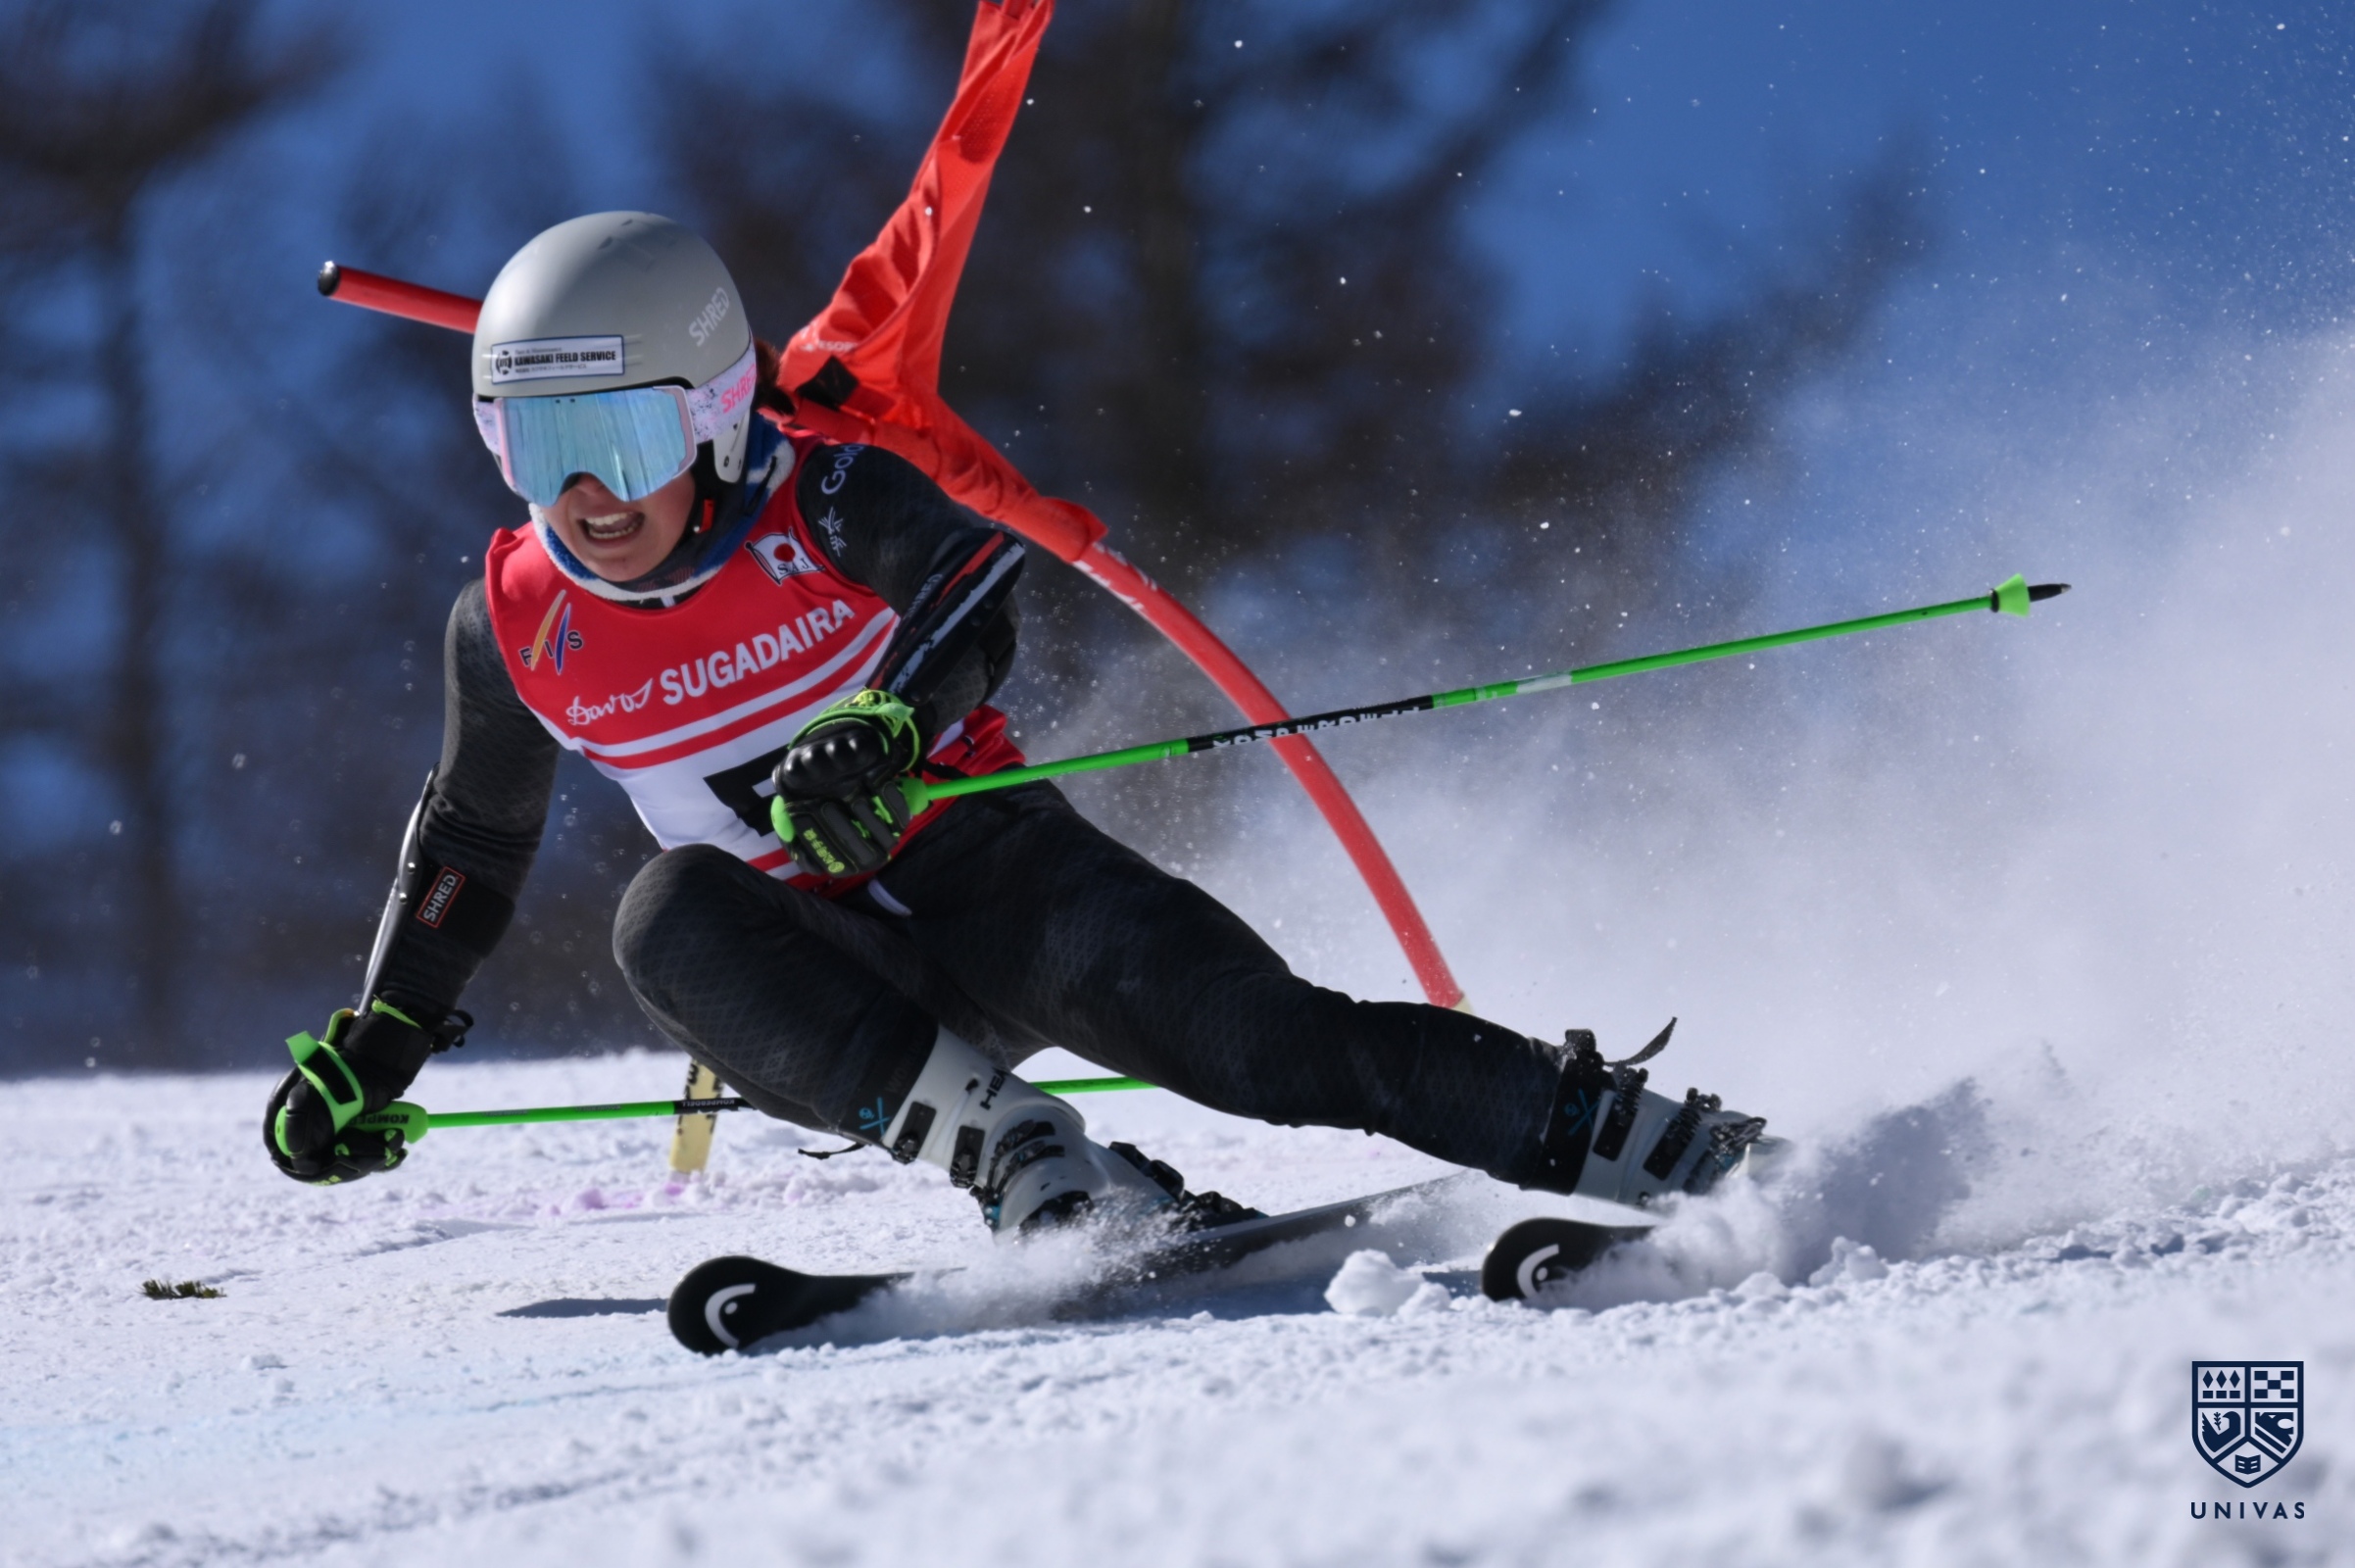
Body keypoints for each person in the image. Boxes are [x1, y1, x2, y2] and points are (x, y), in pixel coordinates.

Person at [264, 212, 1767, 1233]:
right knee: (665, 914)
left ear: (714, 411)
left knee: (1279, 1052)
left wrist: (889, 725)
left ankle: (1645, 1144)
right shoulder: (518, 619)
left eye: (618, 432)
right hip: (832, 996)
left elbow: (977, 583)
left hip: (1008, 891)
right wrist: (384, 1038)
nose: (584, 494)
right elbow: (474, 836)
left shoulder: (820, 495)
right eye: (535, 444)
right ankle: (1035, 1167)